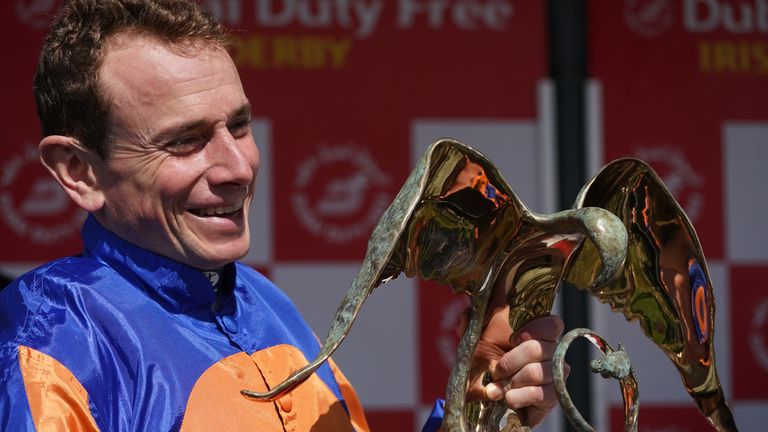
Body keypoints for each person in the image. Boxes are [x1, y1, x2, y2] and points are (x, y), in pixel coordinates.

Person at [0, 0, 563, 430]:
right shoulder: (49, 340)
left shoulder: (263, 301)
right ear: (78, 170)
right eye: (185, 141)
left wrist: (476, 407)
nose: (237, 166)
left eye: (239, 126)